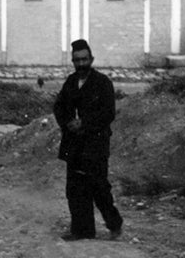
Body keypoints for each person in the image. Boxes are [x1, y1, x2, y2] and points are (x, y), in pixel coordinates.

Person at [52, 39, 123, 241]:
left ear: (91, 59)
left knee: (99, 187)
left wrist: (84, 123)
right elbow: (59, 107)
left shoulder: (103, 83)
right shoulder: (70, 82)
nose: (81, 64)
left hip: (96, 145)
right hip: (74, 144)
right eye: (77, 60)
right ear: (73, 61)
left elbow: (108, 113)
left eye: (84, 59)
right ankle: (82, 231)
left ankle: (114, 224)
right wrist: (68, 123)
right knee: (74, 189)